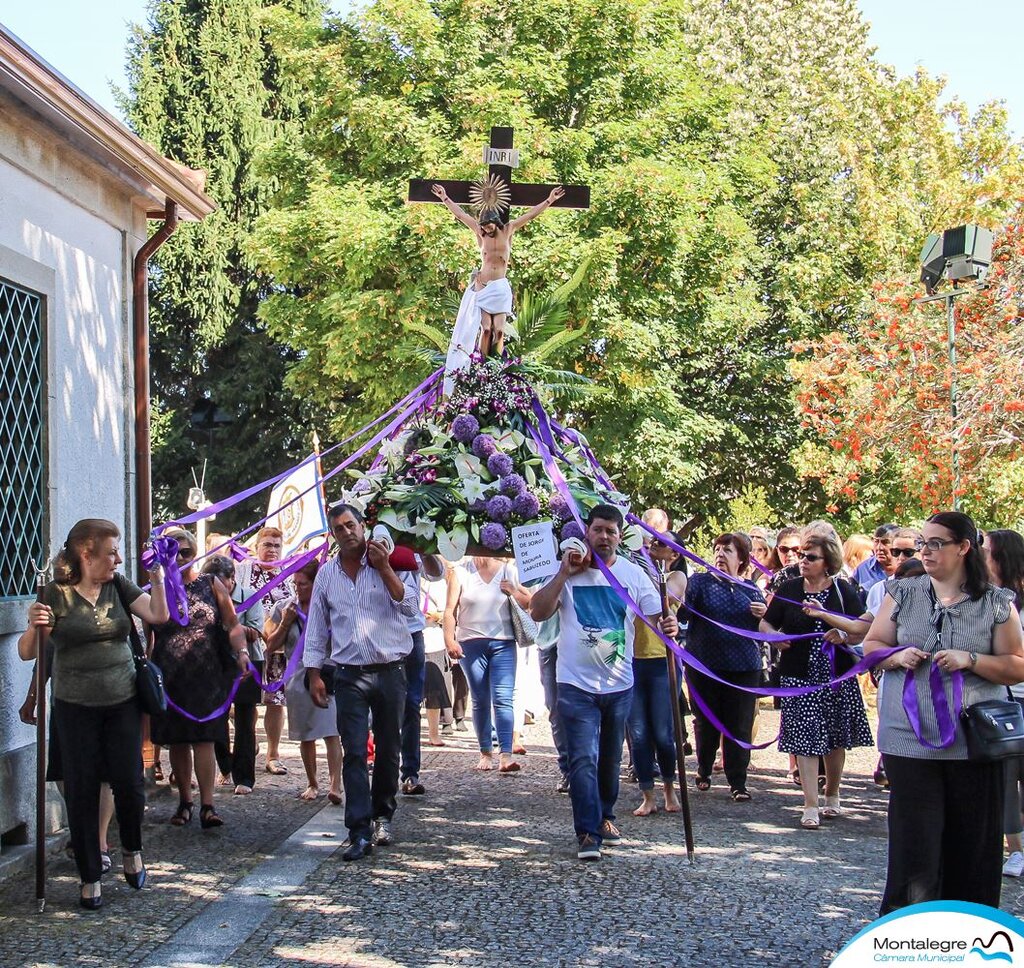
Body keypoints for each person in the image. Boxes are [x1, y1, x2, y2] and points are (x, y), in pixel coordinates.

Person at [863, 512, 1024, 912]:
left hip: (973, 744)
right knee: (914, 850)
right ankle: (908, 935)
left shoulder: (996, 602)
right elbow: (872, 646)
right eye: (922, 543)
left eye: (936, 543)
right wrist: (896, 655)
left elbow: (1017, 662)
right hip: (908, 741)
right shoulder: (902, 593)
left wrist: (971, 659)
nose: (925, 551)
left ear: (963, 547)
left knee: (972, 849)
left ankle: (967, 932)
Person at [17, 518, 169, 909]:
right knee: (81, 791)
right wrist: (35, 627)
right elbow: (28, 652)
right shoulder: (55, 594)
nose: (117, 559)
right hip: (75, 706)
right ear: (87, 553)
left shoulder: (119, 587)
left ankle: (132, 851)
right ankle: (89, 876)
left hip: (122, 701)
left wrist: (158, 579)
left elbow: (157, 616)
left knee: (129, 784)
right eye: (111, 552)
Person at [530, 505, 678, 862]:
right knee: (582, 758)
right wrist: (563, 575)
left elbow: (656, 616)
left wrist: (668, 626)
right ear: (587, 532)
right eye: (598, 530)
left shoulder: (633, 573)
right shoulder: (568, 570)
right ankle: (587, 831)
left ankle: (606, 816)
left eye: (611, 531)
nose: (604, 537)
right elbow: (537, 610)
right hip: (574, 683)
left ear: (620, 536)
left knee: (610, 760)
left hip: (618, 683)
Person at [304, 504, 418, 861]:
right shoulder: (326, 575)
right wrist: (313, 674)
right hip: (349, 674)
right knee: (354, 751)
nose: (346, 532)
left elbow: (411, 607)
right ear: (333, 534)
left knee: (388, 750)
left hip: (390, 670)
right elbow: (316, 627)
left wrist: (384, 567)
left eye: (351, 524)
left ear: (363, 525)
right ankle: (358, 830)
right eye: (339, 528)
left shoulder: (391, 560)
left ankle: (383, 815)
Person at [760, 530, 873, 829]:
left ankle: (832, 793)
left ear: (828, 561)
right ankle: (810, 804)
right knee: (805, 739)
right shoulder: (789, 589)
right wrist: (773, 637)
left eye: (811, 557)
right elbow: (767, 621)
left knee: (835, 738)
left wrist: (842, 632)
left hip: (835, 675)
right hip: (798, 675)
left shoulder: (842, 591)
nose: (802, 562)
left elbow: (863, 627)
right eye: (801, 556)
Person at [151, 529, 248, 830]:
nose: (180, 558)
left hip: (206, 675)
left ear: (195, 554)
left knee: (205, 738)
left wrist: (242, 652)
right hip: (171, 675)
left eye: (186, 552)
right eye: (173, 552)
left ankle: (208, 804)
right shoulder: (158, 588)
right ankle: (185, 801)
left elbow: (232, 622)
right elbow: (149, 634)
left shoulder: (211, 583)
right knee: (178, 741)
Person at [430, 182, 565, 378]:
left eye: (489, 226)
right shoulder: (480, 232)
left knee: (499, 332)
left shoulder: (508, 229)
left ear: (496, 221)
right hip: (483, 286)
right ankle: (481, 368)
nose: (486, 229)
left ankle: (497, 366)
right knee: (486, 330)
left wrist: (549, 200)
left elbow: (531, 215)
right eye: (483, 227)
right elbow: (460, 215)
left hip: (500, 287)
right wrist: (444, 197)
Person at [683, 534, 765, 801]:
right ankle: (704, 769)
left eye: (727, 550)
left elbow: (764, 630)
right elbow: (684, 612)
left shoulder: (752, 589)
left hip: (744, 667)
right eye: (716, 549)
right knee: (705, 721)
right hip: (704, 665)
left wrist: (763, 615)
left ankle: (738, 782)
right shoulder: (699, 583)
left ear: (741, 558)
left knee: (739, 724)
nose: (720, 554)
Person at [264, 559, 342, 804]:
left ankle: (335, 785)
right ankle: (312, 783)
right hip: (297, 677)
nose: (298, 589)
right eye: (295, 583)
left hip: (327, 673)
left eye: (304, 584)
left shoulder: (330, 606)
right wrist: (286, 621)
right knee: (306, 734)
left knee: (332, 731)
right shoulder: (284, 607)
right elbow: (271, 645)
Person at [444, 556, 531, 773]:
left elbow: (529, 601)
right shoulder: (461, 571)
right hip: (470, 643)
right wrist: (449, 639)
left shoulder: (508, 571)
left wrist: (512, 590)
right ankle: (485, 751)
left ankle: (506, 754)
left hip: (503, 642)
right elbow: (449, 611)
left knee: (503, 698)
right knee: (480, 698)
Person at [629, 533, 687, 816]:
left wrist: (641, 563)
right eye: (650, 542)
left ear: (674, 554)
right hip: (633, 661)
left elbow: (663, 596)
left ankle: (669, 788)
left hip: (664, 663)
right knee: (638, 734)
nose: (652, 546)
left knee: (664, 733)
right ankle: (647, 794)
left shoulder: (676, 576)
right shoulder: (632, 570)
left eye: (660, 544)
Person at [981, 530, 1024, 877]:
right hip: (1001, 699)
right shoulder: (983, 598)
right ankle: (1016, 849)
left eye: (987, 550)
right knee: (1005, 777)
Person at [235, 527, 292, 777]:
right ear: (257, 546)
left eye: (277, 546)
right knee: (244, 702)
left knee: (275, 702)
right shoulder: (243, 570)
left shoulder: (288, 574)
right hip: (249, 647)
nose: (272, 550)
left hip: (278, 648)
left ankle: (273, 754)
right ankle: (249, 742)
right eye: (267, 545)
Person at [400, 553, 445, 797]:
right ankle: (375, 757)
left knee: (411, 704)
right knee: (381, 702)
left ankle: (409, 772)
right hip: (381, 632)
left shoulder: (412, 543)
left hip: (412, 631)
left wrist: (425, 547)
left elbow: (436, 573)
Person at [421, 573, 453, 747]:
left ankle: (434, 733)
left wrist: (434, 615)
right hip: (410, 640)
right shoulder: (407, 576)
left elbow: (448, 611)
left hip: (434, 640)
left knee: (434, 691)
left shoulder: (440, 582)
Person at [852, 523, 900, 593]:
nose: (879, 548)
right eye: (876, 542)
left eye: (885, 542)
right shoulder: (863, 569)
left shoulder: (907, 567)